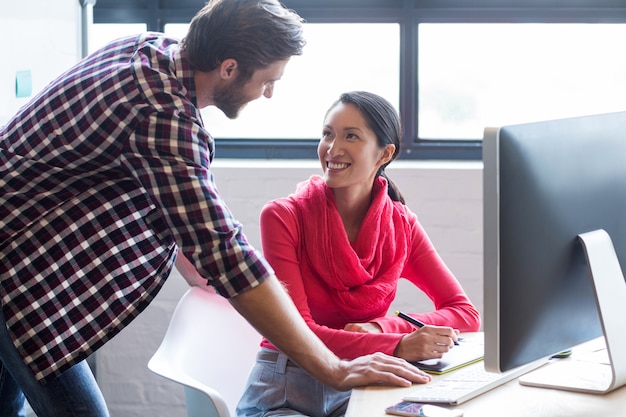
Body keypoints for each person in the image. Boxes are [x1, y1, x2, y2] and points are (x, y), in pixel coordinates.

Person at [0, 2, 430, 416]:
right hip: (15, 276)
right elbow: (227, 254)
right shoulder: (162, 115)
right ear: (228, 68)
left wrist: (196, 265)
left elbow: (165, 195)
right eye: (267, 80)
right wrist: (334, 369)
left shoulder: (150, 50)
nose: (269, 93)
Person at [237, 91, 481, 417]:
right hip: (287, 384)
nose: (332, 149)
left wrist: (383, 328)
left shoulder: (401, 225)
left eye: (351, 136)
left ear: (384, 154)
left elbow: (464, 313)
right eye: (328, 134)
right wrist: (398, 346)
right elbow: (299, 331)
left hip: (360, 384)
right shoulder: (283, 217)